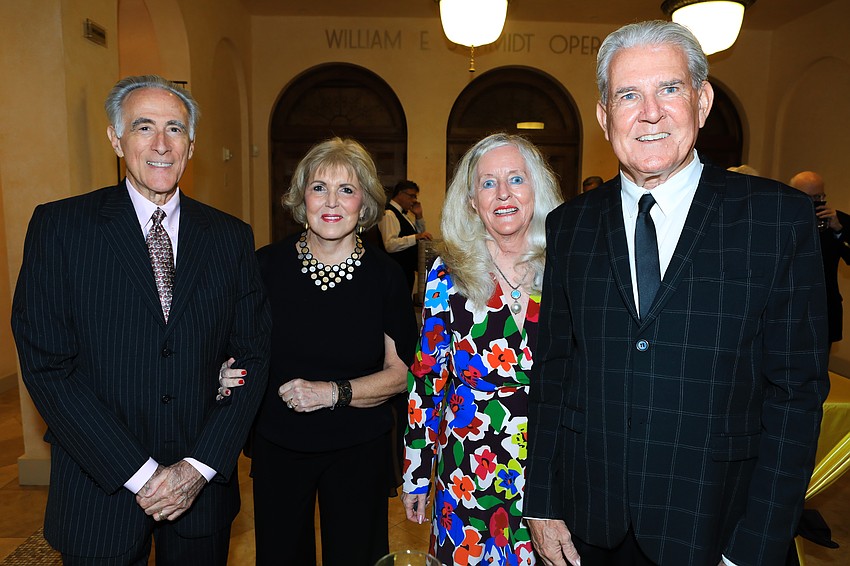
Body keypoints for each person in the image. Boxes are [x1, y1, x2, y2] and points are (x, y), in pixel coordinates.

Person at [525, 21, 829, 566]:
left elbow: (797, 396)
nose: (650, 112)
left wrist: (757, 546)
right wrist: (542, 503)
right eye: (628, 95)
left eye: (669, 88)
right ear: (603, 115)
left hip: (719, 525)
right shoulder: (570, 226)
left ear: (702, 100)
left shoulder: (777, 219)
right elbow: (553, 374)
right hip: (592, 525)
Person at [10, 75, 271, 565]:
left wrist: (198, 467)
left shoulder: (229, 237)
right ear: (116, 139)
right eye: (143, 127)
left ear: (191, 146)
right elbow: (47, 365)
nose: (160, 144)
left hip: (201, 492)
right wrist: (142, 473)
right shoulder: (61, 228)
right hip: (99, 487)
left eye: (174, 129)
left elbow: (253, 355)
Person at [241, 137, 418, 566]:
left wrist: (330, 393)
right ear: (302, 196)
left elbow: (402, 373)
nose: (331, 202)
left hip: (359, 447)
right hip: (279, 445)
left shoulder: (386, 278)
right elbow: (238, 348)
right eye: (319, 187)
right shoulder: (263, 266)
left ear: (366, 202)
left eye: (347, 189)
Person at [401, 133, 564, 566]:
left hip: (553, 471)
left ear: (537, 189)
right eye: (488, 183)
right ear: (472, 200)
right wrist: (417, 473)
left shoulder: (571, 265)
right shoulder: (448, 273)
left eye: (516, 179)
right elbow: (427, 380)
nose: (503, 194)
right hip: (468, 473)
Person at [790, 170, 850, 346]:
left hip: (824, 307)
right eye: (809, 197)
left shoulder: (838, 221)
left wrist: (839, 230)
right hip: (788, 307)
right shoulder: (780, 220)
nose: (815, 203)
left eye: (819, 197)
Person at [378, 179, 433, 293]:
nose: (413, 201)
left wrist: (419, 216)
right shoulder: (389, 214)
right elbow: (390, 245)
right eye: (411, 196)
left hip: (405, 271)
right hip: (394, 272)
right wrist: (415, 237)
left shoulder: (404, 215)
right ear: (400, 194)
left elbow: (421, 237)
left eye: (415, 197)